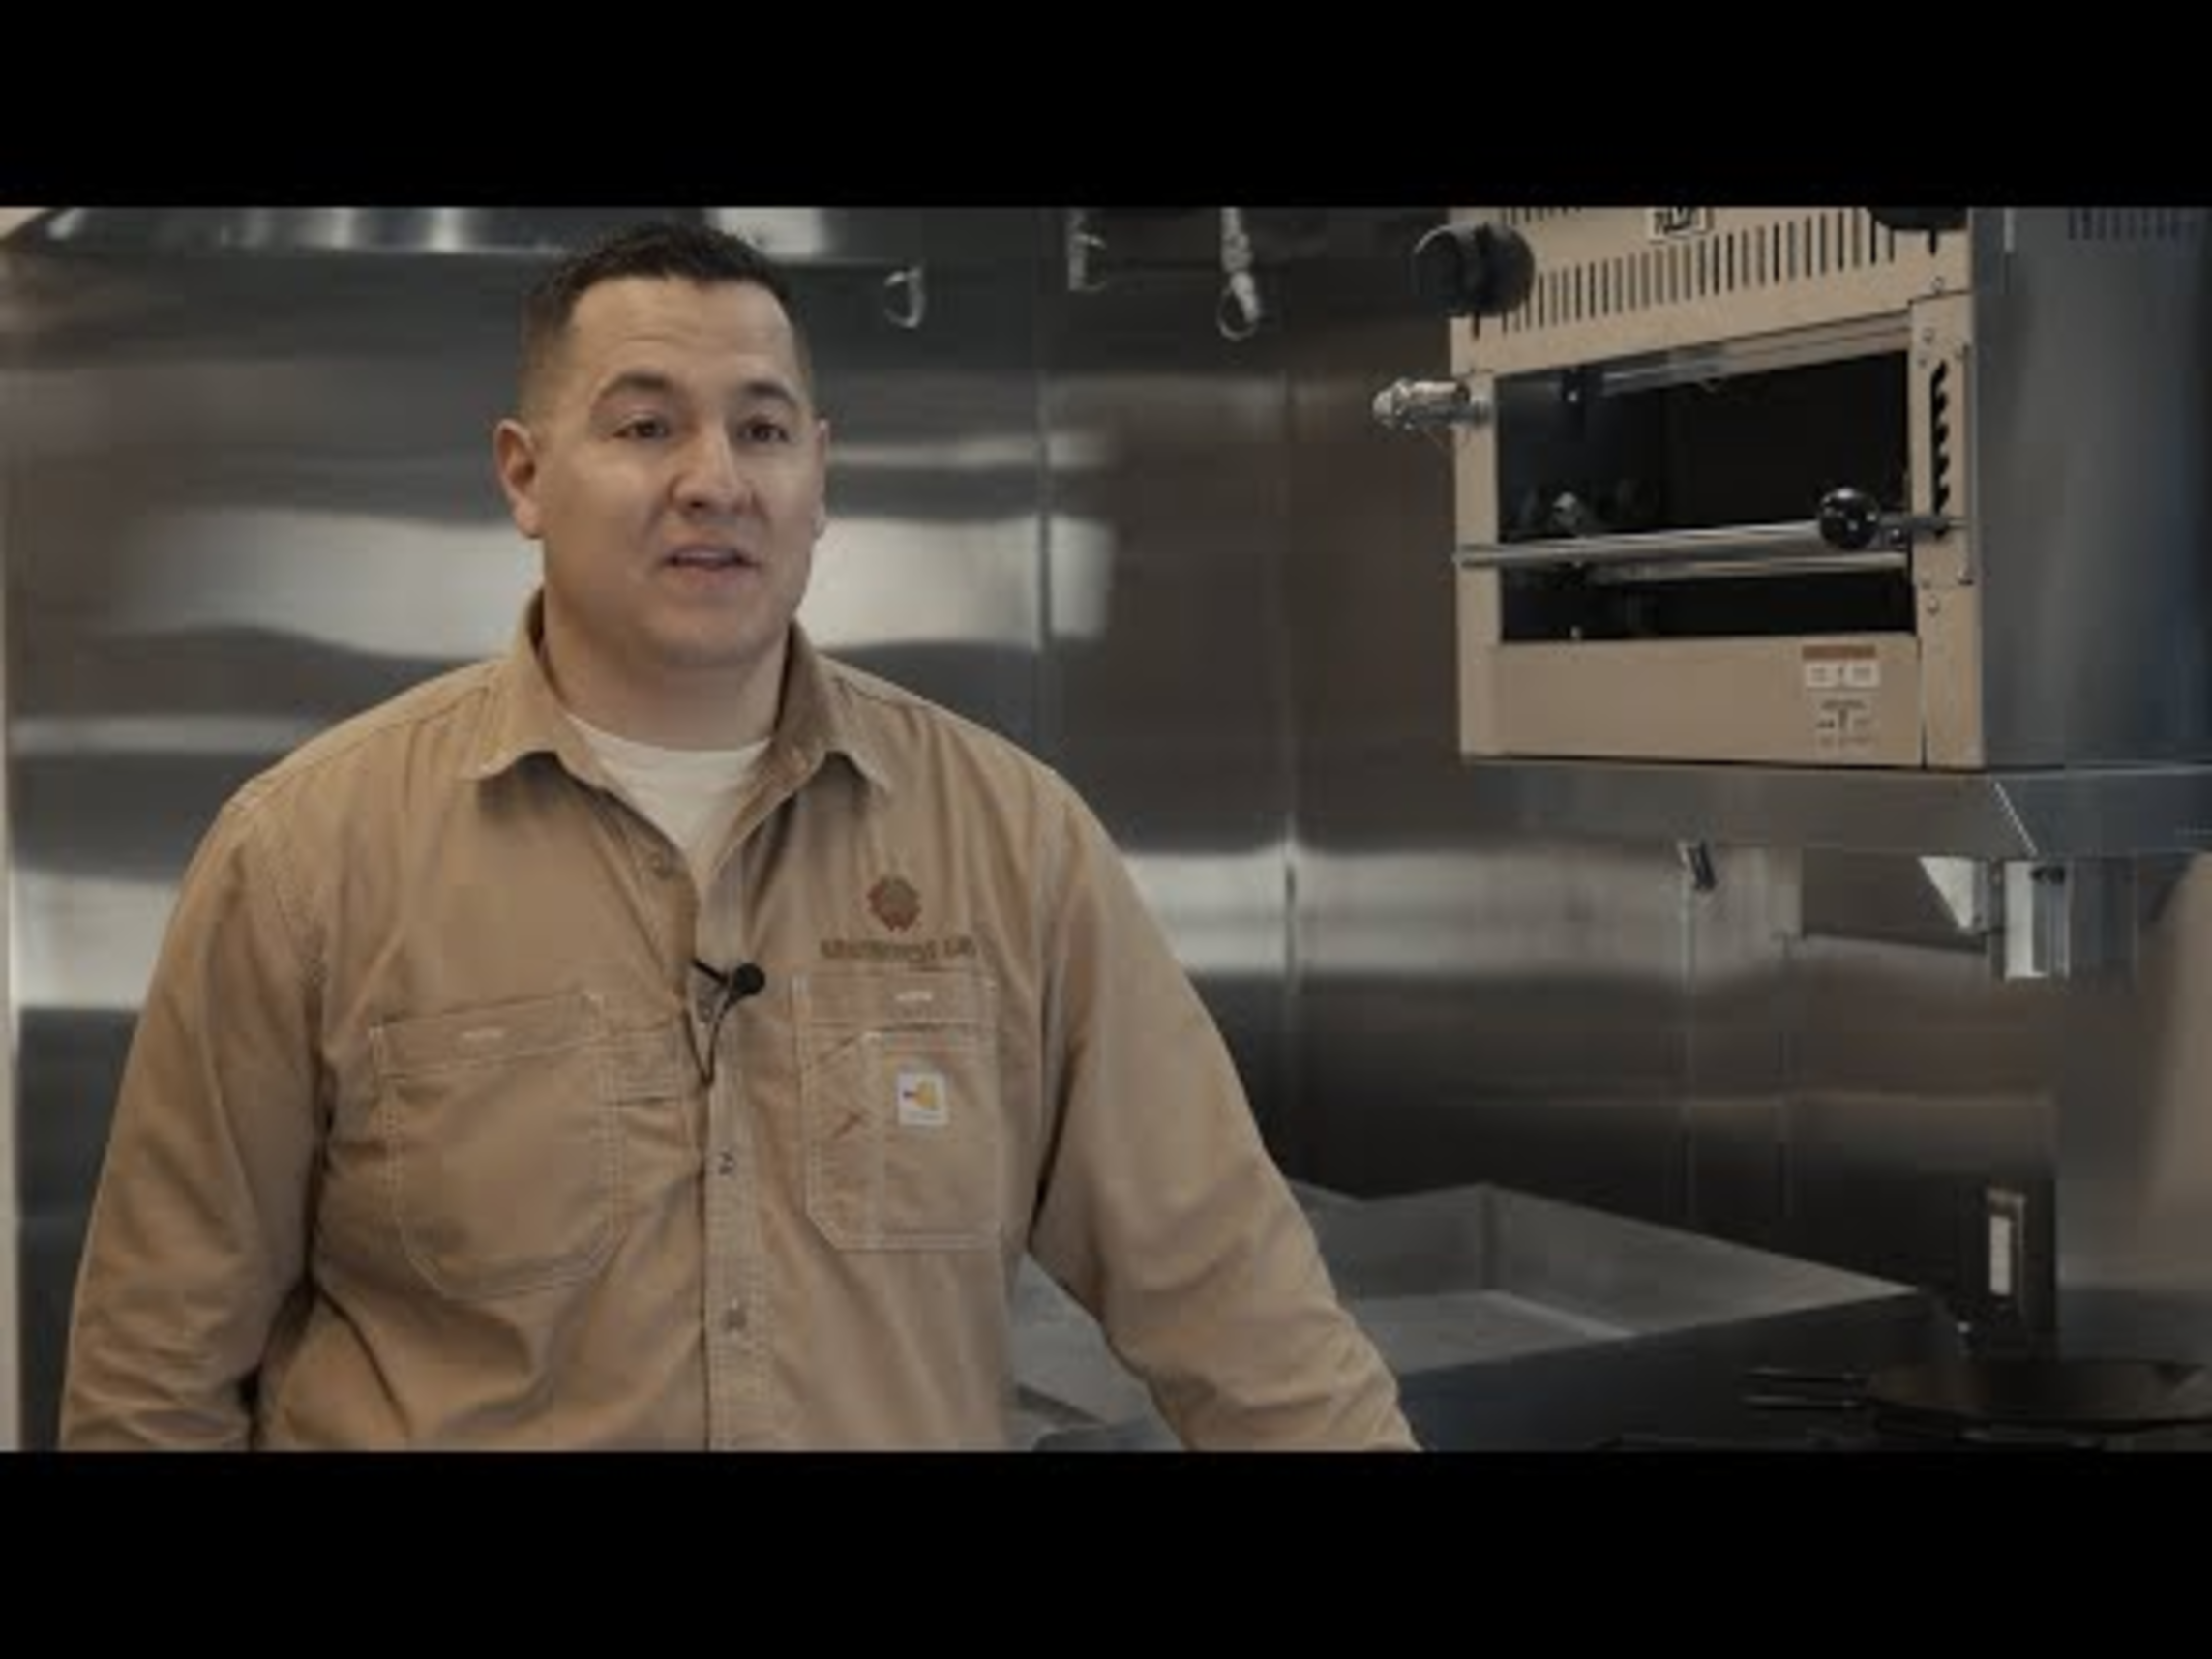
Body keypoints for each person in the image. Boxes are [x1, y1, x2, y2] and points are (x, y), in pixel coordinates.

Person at [57, 220, 1419, 1451]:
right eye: (645, 426)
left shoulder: (1013, 843)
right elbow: (151, 1377)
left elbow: (1245, 1316)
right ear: (525, 474)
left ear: (819, 476)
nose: (714, 479)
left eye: (761, 430)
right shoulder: (308, 859)